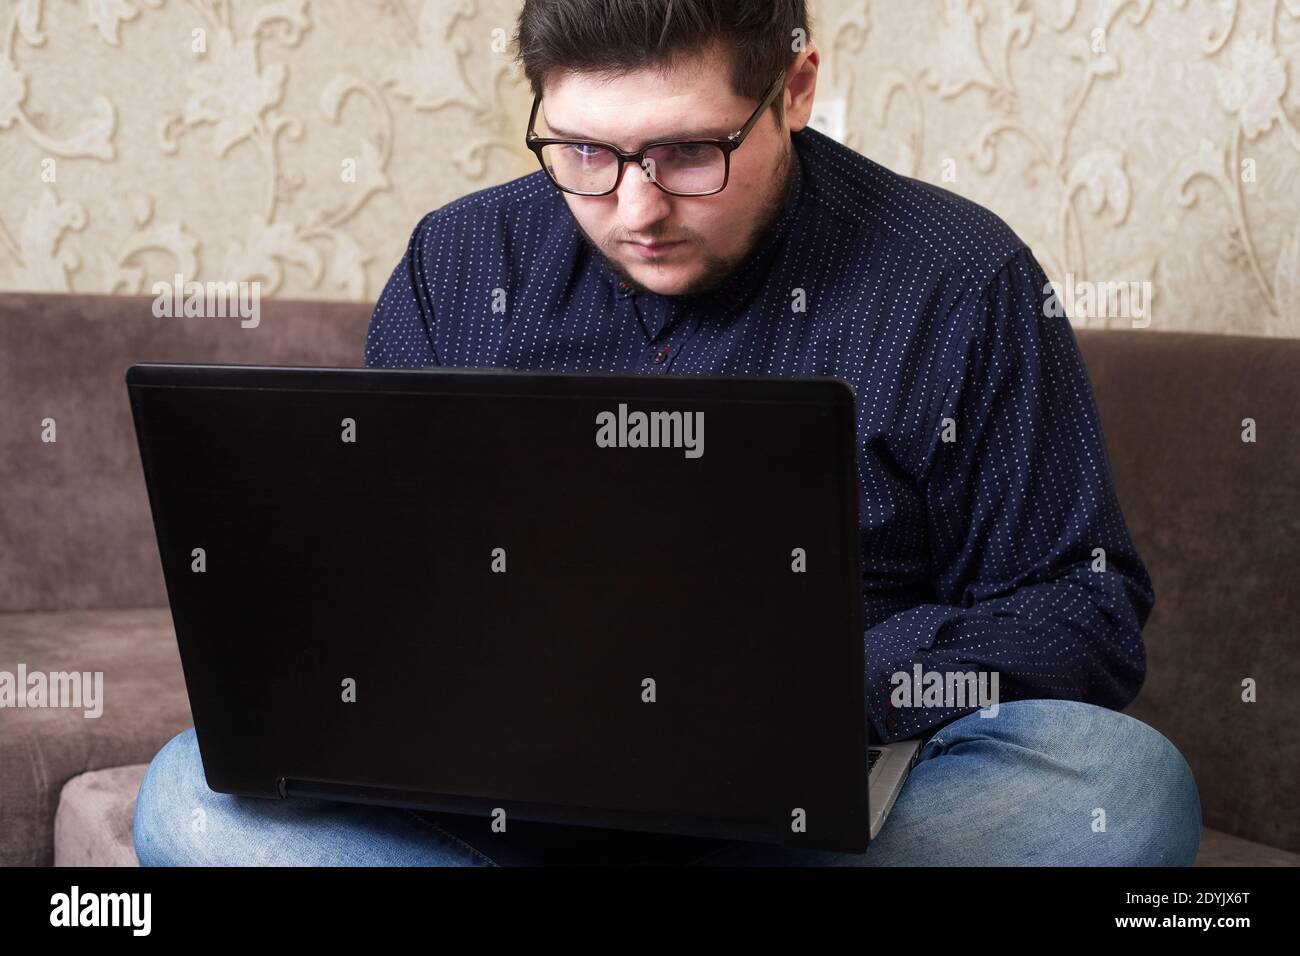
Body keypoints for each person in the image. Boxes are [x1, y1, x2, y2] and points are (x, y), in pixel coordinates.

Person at [134, 0, 1201, 866]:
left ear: (794, 89)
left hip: (822, 793)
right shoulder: (455, 263)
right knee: (193, 795)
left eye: (690, 153)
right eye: (585, 151)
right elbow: (380, 589)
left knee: (1122, 784)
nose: (636, 207)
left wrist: (813, 683)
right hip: (502, 793)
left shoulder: (959, 281)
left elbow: (1083, 610)